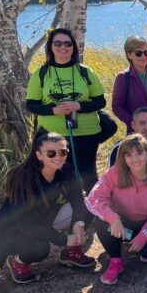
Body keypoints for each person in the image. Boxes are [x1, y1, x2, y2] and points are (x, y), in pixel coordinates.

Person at [0, 129, 95, 283]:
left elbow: (77, 198)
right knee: (39, 250)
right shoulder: (22, 177)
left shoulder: (65, 170)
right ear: (39, 155)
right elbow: (25, 224)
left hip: (44, 218)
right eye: (51, 153)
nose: (58, 158)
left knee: (88, 208)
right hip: (15, 228)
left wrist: (78, 223)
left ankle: (70, 252)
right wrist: (64, 239)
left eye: (63, 152)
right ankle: (17, 260)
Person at [25, 28, 106, 193]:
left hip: (86, 132)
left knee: (88, 176)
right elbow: (31, 105)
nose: (63, 47)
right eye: (57, 43)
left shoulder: (85, 71)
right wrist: (53, 110)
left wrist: (79, 106)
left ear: (73, 47)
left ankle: (96, 213)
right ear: (51, 47)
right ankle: (64, 214)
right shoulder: (41, 73)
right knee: (57, 176)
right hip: (51, 136)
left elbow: (100, 101)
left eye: (68, 43)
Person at [87, 134, 147, 285]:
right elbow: (93, 199)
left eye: (139, 153)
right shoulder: (114, 172)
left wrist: (143, 236)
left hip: (145, 224)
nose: (135, 159)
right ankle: (116, 261)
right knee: (101, 223)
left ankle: (138, 246)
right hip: (121, 224)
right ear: (123, 158)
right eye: (129, 155)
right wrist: (113, 218)